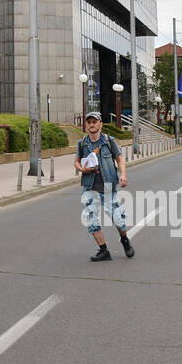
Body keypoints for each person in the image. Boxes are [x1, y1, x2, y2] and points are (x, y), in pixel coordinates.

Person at [73, 112, 134, 261]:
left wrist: (123, 174)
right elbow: (76, 161)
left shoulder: (108, 140)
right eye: (89, 122)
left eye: (94, 122)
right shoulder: (82, 143)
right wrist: (81, 169)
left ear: (101, 124)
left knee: (117, 218)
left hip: (107, 186)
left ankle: (125, 240)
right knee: (91, 219)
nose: (92, 125)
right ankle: (104, 250)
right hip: (89, 186)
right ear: (86, 125)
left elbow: (119, 159)